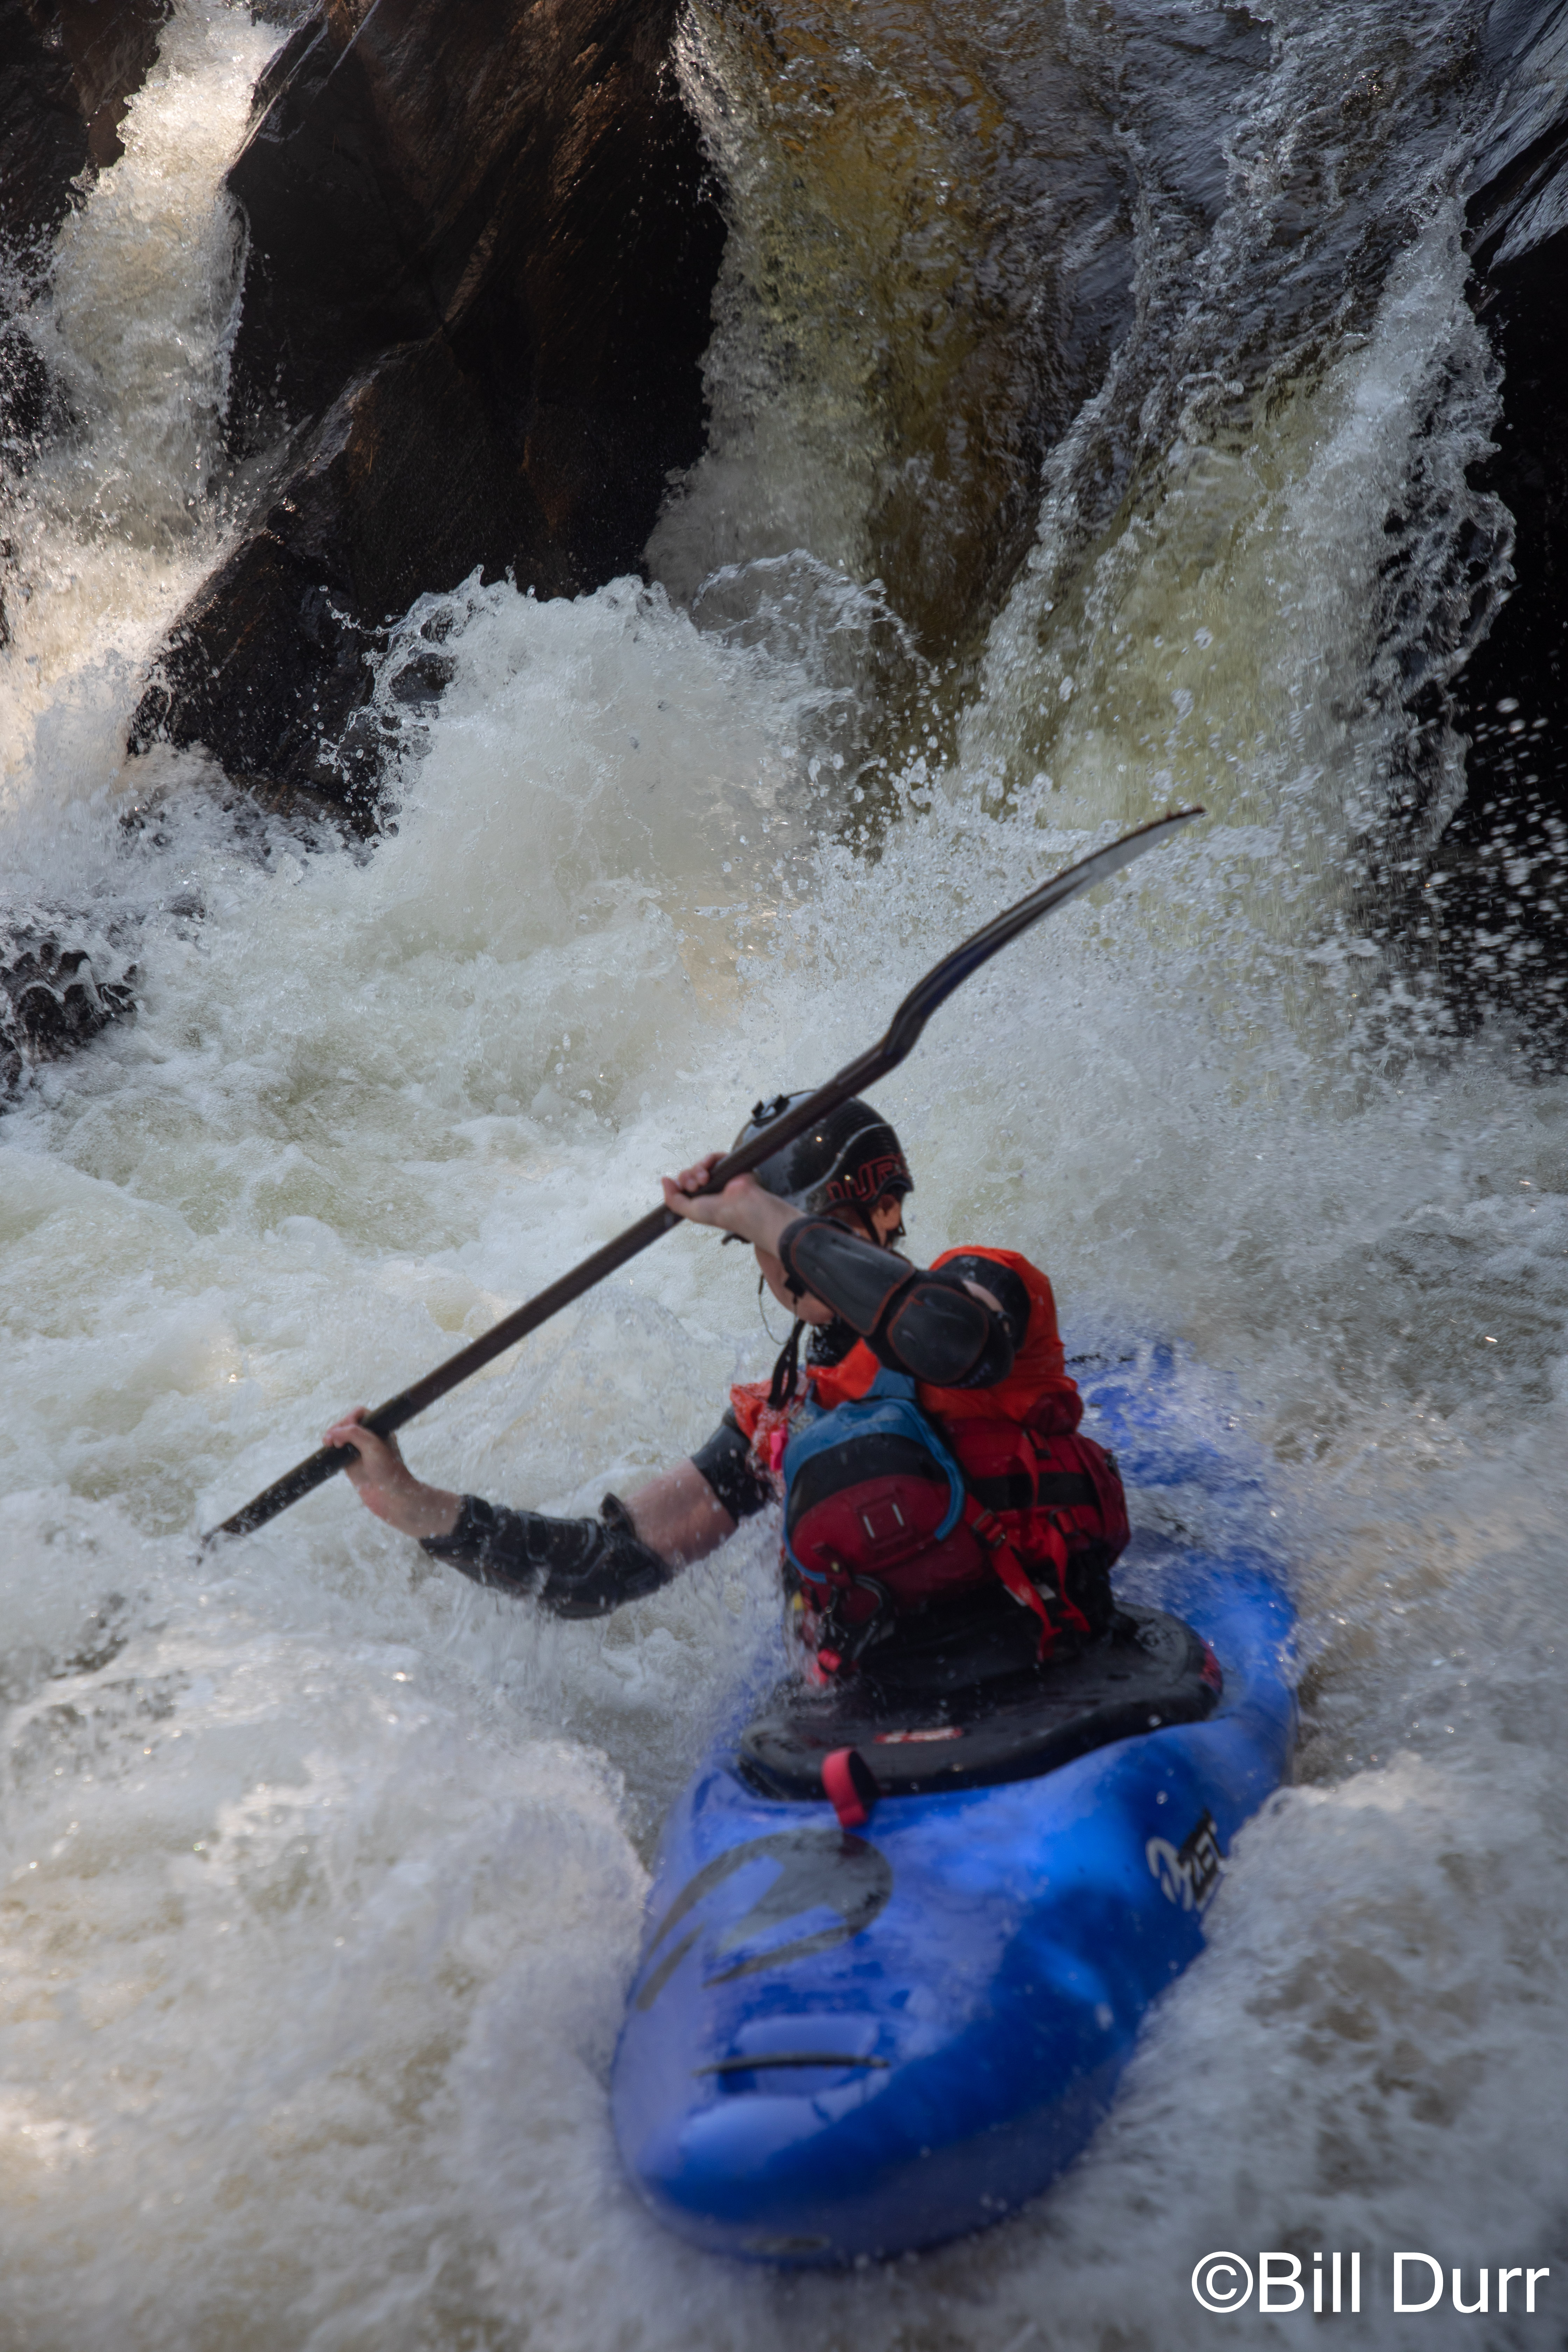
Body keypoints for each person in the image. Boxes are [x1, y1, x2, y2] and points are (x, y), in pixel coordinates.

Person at [326, 1095, 1129, 1689]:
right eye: (757, 1239)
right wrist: (415, 1505)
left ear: (887, 1210)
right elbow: (604, 1569)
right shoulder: (777, 1420)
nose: (780, 1258)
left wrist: (762, 1213)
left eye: (798, 1229)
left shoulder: (982, 1287)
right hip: (881, 1700)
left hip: (1057, 1654)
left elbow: (950, 1343)